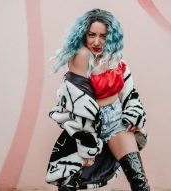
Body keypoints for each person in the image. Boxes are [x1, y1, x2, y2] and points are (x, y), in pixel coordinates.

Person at [46, 8, 150, 191]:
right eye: (91, 35)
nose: (96, 41)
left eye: (103, 36)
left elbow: (127, 89)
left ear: (111, 36)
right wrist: (87, 144)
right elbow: (79, 103)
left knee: (139, 181)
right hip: (88, 125)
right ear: (83, 34)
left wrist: (134, 112)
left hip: (117, 121)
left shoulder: (114, 55)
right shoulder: (81, 56)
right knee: (69, 184)